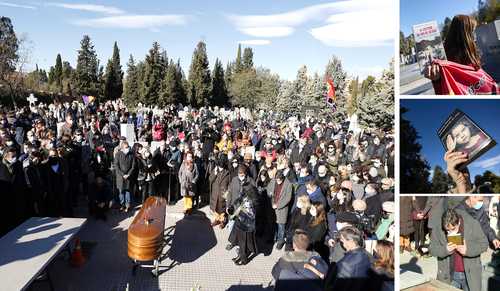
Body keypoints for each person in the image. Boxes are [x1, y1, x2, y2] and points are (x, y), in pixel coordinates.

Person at [425, 15, 499, 95]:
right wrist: (437, 80)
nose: (475, 36)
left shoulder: (470, 54)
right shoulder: (448, 64)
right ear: (465, 35)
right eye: (473, 31)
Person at [430, 208, 488, 291]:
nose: (450, 233)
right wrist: (445, 250)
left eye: (453, 229)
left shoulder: (472, 224)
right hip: (450, 275)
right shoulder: (438, 228)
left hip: (470, 275)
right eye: (447, 230)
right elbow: (432, 249)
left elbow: (484, 243)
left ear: (459, 222)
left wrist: (468, 250)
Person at [324, 226, 371, 291]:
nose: (342, 244)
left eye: (342, 241)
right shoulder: (370, 256)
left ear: (351, 240)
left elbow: (338, 286)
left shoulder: (344, 263)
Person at [267, 170, 293, 250]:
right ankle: (273, 238)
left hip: (282, 208)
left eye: (279, 180)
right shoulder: (273, 180)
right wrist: (270, 193)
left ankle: (280, 241)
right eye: (276, 180)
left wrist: (278, 205)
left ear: (282, 178)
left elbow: (288, 198)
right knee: (273, 225)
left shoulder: (288, 184)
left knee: (281, 226)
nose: (277, 181)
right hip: (272, 206)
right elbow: (268, 188)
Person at [114, 141, 136, 212]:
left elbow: (133, 166)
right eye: (126, 147)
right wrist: (123, 174)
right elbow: (116, 166)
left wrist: (128, 174)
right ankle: (122, 205)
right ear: (122, 148)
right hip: (120, 177)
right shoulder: (118, 154)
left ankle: (127, 205)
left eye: (128, 147)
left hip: (128, 177)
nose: (128, 149)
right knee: (121, 191)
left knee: (128, 191)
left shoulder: (131, 155)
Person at [209, 158, 230, 227]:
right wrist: (214, 173)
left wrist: (227, 195)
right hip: (215, 193)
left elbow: (229, 184)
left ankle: (223, 221)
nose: (220, 168)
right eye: (219, 166)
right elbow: (210, 180)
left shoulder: (227, 172)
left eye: (221, 166)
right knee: (215, 208)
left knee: (222, 209)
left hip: (223, 194)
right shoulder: (215, 171)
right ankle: (217, 219)